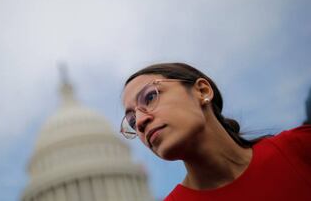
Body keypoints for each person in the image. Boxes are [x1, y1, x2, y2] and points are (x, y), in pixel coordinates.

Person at [120, 62, 311, 201]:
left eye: (151, 96)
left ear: (202, 91)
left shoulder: (299, 148)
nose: (141, 122)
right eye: (132, 120)